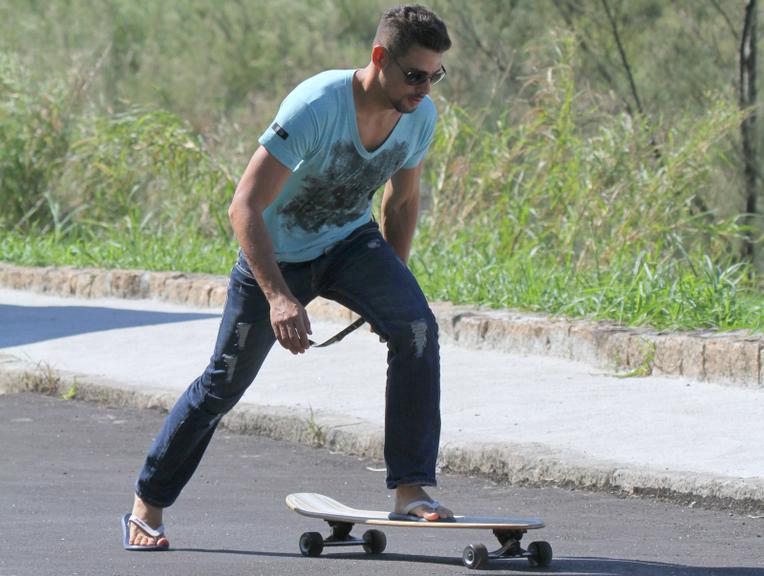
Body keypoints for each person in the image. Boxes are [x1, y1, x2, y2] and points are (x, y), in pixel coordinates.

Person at [123, 4, 453, 550]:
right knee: (223, 383)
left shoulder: (420, 116)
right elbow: (244, 206)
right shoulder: (317, 105)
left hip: (350, 242)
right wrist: (278, 296)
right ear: (380, 59)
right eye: (414, 74)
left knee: (416, 328)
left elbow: (403, 199)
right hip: (275, 255)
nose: (423, 88)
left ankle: (411, 490)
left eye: (434, 75)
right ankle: (148, 505)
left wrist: (393, 288)